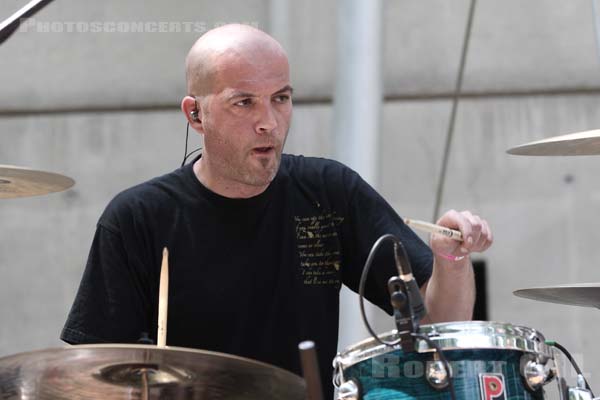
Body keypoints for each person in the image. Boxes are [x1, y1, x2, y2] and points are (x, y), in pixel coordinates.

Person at [61, 24, 493, 399]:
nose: (269, 121)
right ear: (196, 114)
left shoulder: (328, 194)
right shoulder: (137, 218)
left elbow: (440, 325)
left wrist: (451, 261)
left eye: (281, 98)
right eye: (244, 102)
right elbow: (95, 378)